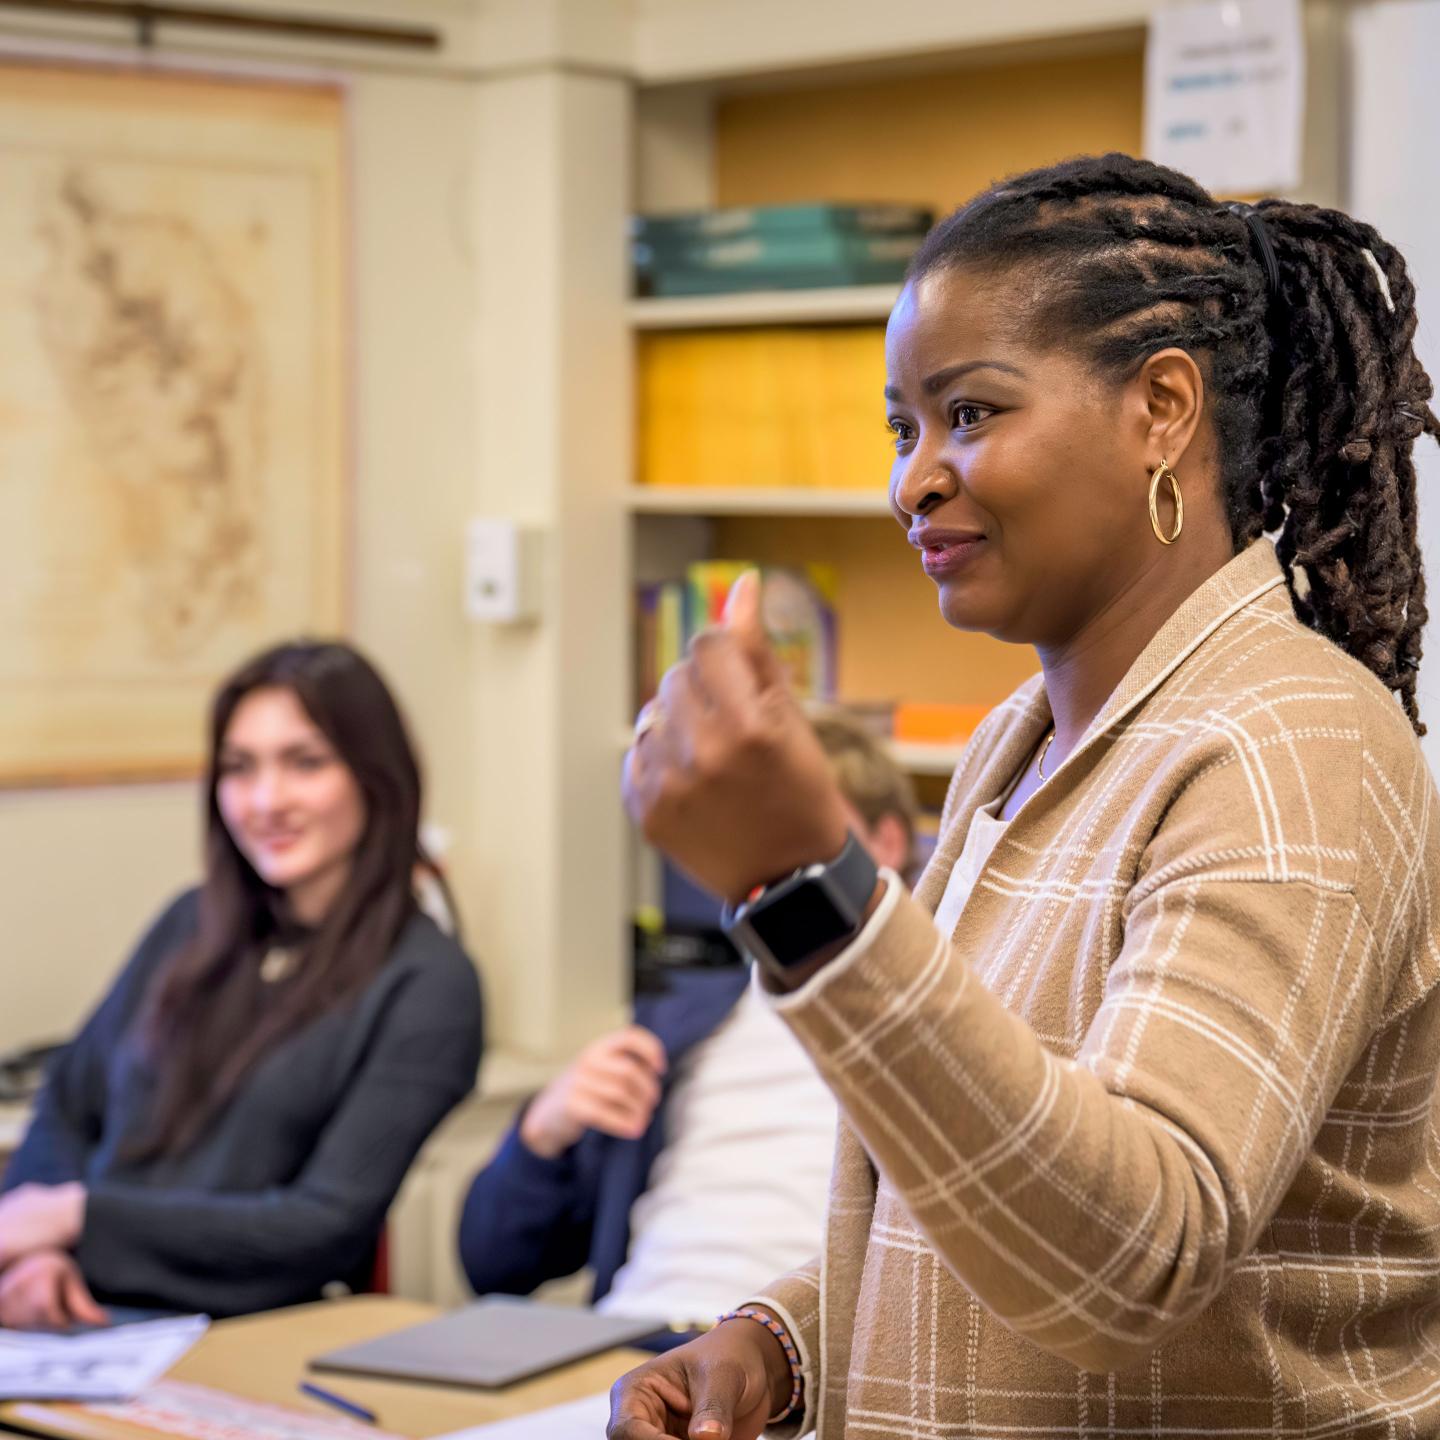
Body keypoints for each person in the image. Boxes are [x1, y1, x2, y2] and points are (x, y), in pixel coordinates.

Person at [610, 153, 1440, 1439]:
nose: (914, 480)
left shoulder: (1292, 745)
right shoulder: (1025, 741)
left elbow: (1133, 1253)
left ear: (1164, 408)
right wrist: (780, 1346)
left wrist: (809, 889)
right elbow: (987, 1189)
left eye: (972, 414)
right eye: (904, 427)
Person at [0, 640, 484, 1329]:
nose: (266, 801)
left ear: (376, 778)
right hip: (71, 1326)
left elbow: (322, 1226)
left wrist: (76, 1219)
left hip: (245, 1338)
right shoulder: (188, 923)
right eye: (239, 768)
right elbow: (69, 1105)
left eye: (306, 763)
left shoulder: (429, 984)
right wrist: (33, 1258)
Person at [458, 710, 915, 1331]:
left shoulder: (952, 1005)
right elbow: (493, 1266)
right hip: (631, 1339)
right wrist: (543, 1132)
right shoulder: (685, 1017)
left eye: (798, 829)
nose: (770, 864)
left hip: (804, 1371)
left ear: (887, 843)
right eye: (751, 837)